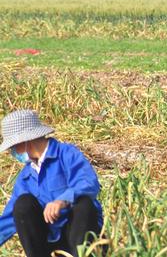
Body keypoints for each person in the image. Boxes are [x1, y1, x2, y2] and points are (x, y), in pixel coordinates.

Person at [0, 110, 103, 257]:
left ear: (24, 141)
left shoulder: (67, 153)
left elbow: (88, 183)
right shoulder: (25, 177)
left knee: (83, 204)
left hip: (78, 233)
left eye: (13, 147)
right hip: (49, 241)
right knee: (23, 205)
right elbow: (8, 218)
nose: (12, 151)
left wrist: (62, 201)